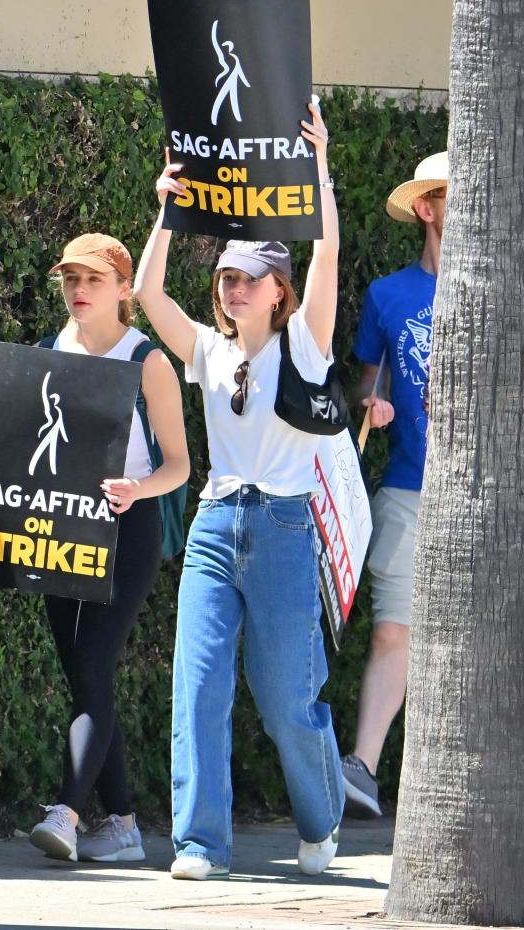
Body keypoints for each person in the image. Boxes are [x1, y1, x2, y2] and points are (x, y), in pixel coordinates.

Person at [135, 101, 345, 880]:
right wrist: (165, 210)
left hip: (286, 529)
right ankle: (200, 844)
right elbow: (148, 297)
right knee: (196, 688)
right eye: (225, 277)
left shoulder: (305, 345)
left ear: (277, 289)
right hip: (216, 526)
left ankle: (320, 824)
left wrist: (319, 169)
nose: (231, 290)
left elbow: (326, 255)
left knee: (289, 698)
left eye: (246, 279)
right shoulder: (208, 352)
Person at [0, 233, 188, 863]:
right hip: (56, 529)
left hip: (126, 530)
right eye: (71, 278)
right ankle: (122, 822)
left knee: (94, 667)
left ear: (124, 290)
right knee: (84, 676)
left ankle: (68, 812)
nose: (79, 290)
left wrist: (137, 489)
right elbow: (24, 451)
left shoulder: (148, 360)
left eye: (94, 280)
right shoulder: (49, 352)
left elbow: (180, 465)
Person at [341, 152, 447, 819]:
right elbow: (368, 379)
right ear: (426, 209)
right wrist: (372, 403)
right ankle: (362, 769)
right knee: (393, 632)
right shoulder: (388, 296)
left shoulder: (514, 286)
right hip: (409, 485)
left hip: (496, 498)